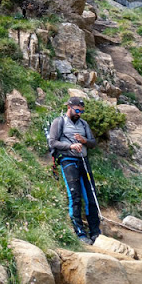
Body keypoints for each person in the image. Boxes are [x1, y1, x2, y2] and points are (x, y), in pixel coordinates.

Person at [48, 97, 100, 245]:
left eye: (82, 111)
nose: (79, 113)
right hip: (68, 160)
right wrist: (70, 146)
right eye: (77, 110)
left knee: (91, 195)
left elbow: (93, 143)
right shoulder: (59, 122)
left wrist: (84, 141)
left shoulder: (84, 124)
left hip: (84, 160)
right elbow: (52, 142)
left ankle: (95, 232)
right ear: (69, 107)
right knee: (75, 195)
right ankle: (80, 233)